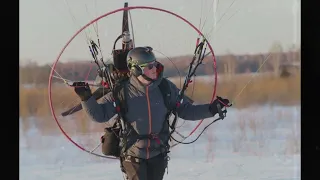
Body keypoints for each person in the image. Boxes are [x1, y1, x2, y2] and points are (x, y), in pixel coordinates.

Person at [73, 46, 230, 180]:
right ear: (136, 69)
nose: (155, 69)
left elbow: (187, 111)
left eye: (155, 64)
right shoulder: (121, 93)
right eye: (149, 66)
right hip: (133, 156)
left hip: (158, 154)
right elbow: (99, 115)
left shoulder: (166, 89)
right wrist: (86, 98)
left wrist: (212, 109)